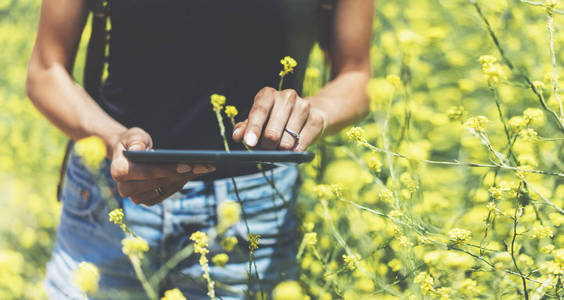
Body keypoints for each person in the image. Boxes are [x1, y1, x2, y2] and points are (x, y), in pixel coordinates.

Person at [26, 0, 373, 298]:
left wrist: (313, 114)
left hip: (253, 210)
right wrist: (114, 140)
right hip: (109, 194)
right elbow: (45, 70)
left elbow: (356, 75)